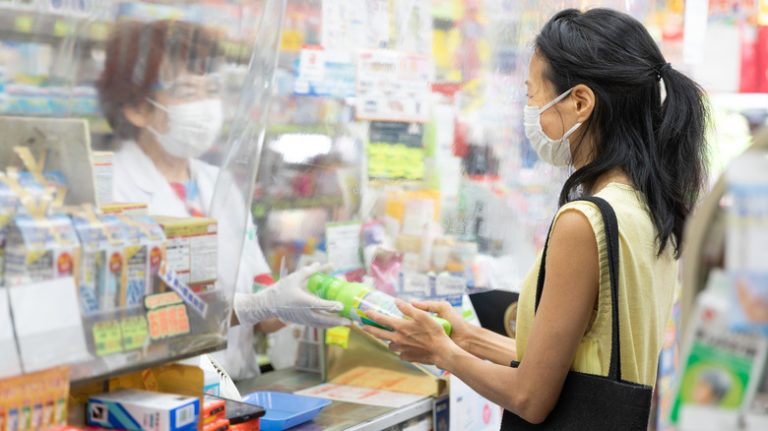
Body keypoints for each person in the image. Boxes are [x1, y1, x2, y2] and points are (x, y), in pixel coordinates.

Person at [365, 8, 708, 425]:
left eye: (532, 96)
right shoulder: (649, 205)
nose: (530, 112)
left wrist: (441, 352)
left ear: (580, 101)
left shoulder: (585, 221)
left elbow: (529, 396)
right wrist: (467, 336)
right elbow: (579, 371)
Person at [97, 20, 349, 381]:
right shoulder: (111, 191)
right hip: (161, 395)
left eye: (211, 89)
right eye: (186, 91)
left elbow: (264, 302)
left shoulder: (219, 183)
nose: (205, 105)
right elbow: (130, 321)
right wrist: (254, 306)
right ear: (137, 108)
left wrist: (309, 297)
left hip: (239, 390)